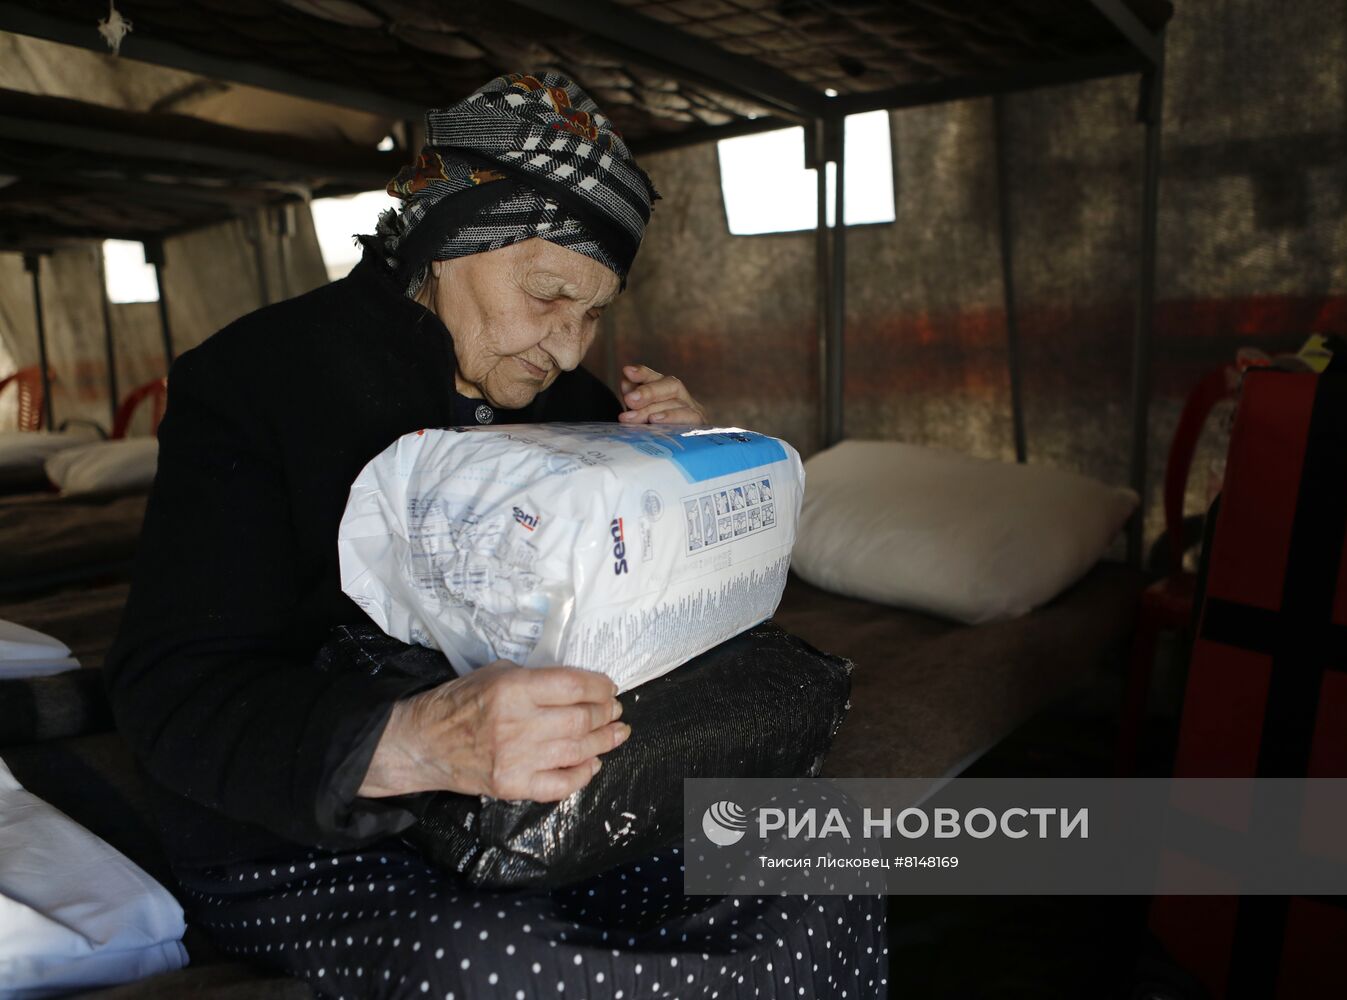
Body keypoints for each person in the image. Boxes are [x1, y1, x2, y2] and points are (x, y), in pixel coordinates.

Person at [105, 71, 886, 999]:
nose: (566, 347)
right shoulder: (258, 382)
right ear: (446, 241)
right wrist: (419, 741)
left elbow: (655, 619)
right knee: (494, 962)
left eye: (593, 313)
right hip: (315, 838)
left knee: (820, 856)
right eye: (550, 294)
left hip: (578, 809)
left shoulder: (580, 407)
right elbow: (168, 693)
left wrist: (678, 476)